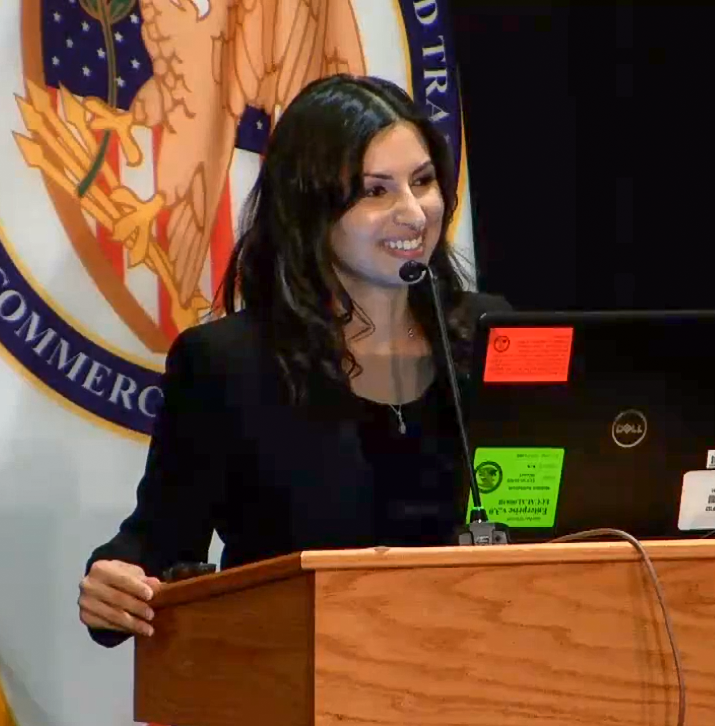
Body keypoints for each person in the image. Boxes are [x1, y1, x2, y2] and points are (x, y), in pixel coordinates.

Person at [76, 74, 510, 646]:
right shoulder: (229, 365)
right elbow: (157, 546)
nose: (414, 212)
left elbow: (567, 517)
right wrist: (115, 582)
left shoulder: (491, 335)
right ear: (309, 209)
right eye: (374, 191)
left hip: (483, 666)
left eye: (423, 181)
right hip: (296, 673)